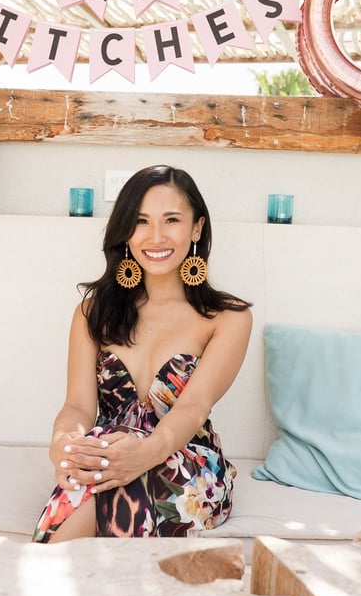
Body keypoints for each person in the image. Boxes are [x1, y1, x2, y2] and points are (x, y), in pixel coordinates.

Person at [33, 164, 252, 542]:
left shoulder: (228, 318)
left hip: (186, 461)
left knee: (119, 481)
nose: (155, 237)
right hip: (108, 455)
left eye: (171, 220)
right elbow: (78, 407)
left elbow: (192, 407)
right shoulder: (93, 312)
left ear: (196, 228)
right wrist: (63, 443)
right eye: (141, 221)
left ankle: (45, 567)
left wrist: (145, 453)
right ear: (126, 232)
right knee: (111, 466)